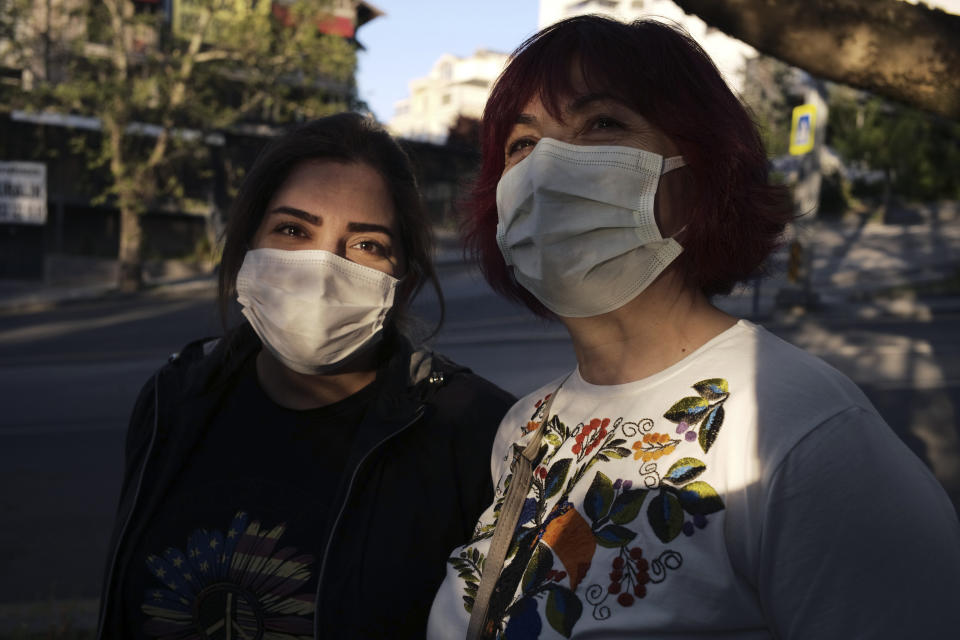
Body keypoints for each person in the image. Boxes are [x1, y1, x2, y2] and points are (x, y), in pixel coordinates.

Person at [428, 16, 960, 640]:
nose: (546, 166)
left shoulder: (803, 432)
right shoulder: (524, 427)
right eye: (522, 144)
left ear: (700, 174)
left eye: (601, 124)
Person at [96, 113, 516, 639]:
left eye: (366, 245)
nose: (322, 269)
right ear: (248, 244)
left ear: (401, 280)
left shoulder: (473, 433)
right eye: (294, 230)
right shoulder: (173, 402)